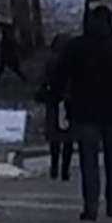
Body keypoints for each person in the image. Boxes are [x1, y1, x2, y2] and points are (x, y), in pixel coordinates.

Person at [51, 4, 112, 220]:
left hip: (84, 112)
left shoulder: (76, 48)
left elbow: (60, 77)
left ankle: (90, 206)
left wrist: (54, 99)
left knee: (88, 160)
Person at [39, 34, 73, 181]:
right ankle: (65, 169)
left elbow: (45, 80)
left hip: (53, 102)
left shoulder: (50, 61)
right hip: (69, 103)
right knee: (68, 138)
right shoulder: (72, 61)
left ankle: (54, 167)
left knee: (54, 138)